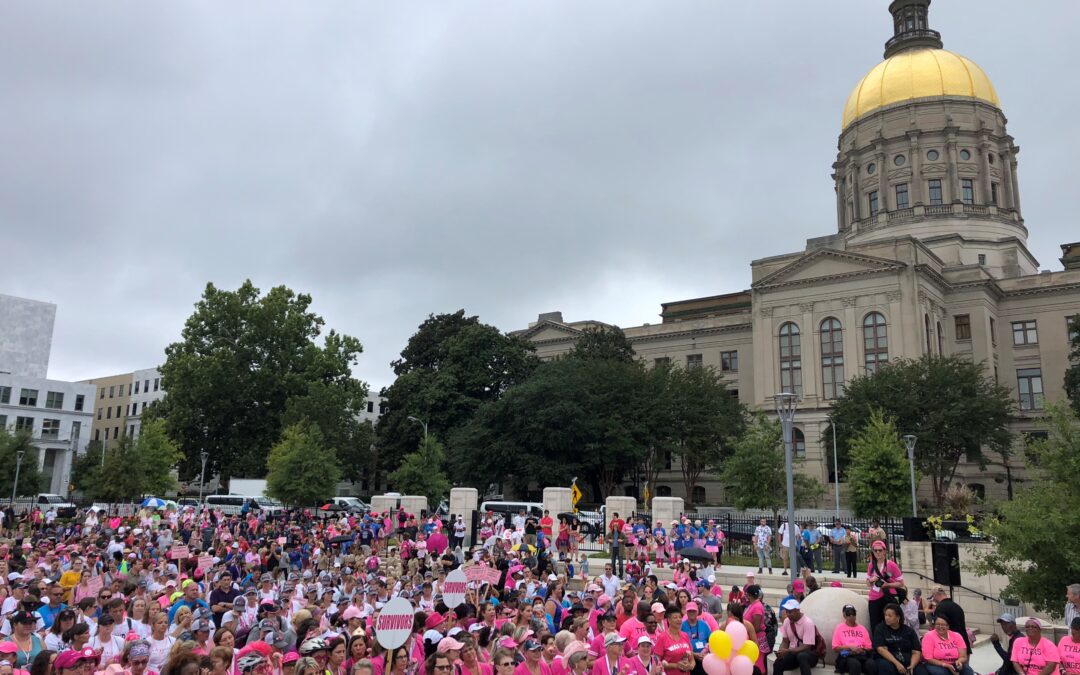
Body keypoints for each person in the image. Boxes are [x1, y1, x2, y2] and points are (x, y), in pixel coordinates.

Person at [873, 603, 921, 675]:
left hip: (908, 661)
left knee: (921, 671)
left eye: (890, 616)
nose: (886, 618)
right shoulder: (880, 628)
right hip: (889, 660)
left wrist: (912, 666)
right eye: (885, 615)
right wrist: (897, 664)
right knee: (886, 667)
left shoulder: (909, 631)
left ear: (898, 617)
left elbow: (916, 652)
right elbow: (881, 649)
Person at [866, 542, 904, 630]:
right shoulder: (871, 565)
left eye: (880, 550)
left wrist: (888, 585)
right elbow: (867, 583)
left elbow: (901, 583)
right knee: (875, 624)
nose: (878, 552)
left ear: (884, 551)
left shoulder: (891, 564)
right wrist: (872, 580)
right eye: (875, 550)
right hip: (874, 597)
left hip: (888, 596)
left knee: (890, 623)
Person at [773, 599, 817, 675]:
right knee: (777, 663)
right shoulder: (787, 621)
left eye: (790, 612)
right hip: (793, 653)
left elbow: (807, 646)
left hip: (810, 654)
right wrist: (781, 651)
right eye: (787, 612)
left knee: (802, 656)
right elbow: (785, 641)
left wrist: (788, 651)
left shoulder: (808, 622)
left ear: (797, 610)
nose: (788, 614)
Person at [832, 604, 875, 675]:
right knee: (855, 665)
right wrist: (850, 647)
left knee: (872, 665)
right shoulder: (839, 628)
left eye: (853, 613)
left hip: (862, 655)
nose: (851, 616)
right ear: (844, 615)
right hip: (847, 656)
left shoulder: (862, 628)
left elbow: (869, 648)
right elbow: (835, 648)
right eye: (848, 613)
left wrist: (861, 650)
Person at [929, 588, 969, 655]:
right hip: (963, 642)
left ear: (936, 595)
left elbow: (939, 628)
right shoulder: (957, 606)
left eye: (933, 596)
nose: (933, 599)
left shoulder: (940, 608)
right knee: (964, 664)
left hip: (950, 646)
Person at [654, 607, 692, 675]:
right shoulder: (662, 637)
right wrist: (676, 665)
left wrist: (690, 666)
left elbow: (692, 660)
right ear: (669, 620)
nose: (678, 619)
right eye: (675, 617)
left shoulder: (685, 635)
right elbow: (656, 660)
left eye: (680, 617)